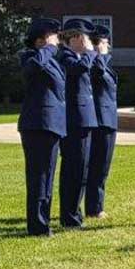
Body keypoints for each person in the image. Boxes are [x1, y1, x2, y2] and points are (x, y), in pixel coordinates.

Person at [17, 18, 66, 237]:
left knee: (47, 176)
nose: (57, 41)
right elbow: (35, 66)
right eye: (52, 36)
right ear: (39, 41)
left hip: (52, 124)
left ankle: (43, 221)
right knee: (38, 176)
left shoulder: (52, 61)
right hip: (37, 124)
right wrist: (47, 48)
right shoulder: (30, 57)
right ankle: (37, 224)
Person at [59, 18, 98, 229]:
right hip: (75, 122)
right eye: (84, 38)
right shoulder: (65, 56)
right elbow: (79, 69)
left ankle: (75, 213)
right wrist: (91, 52)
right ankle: (69, 216)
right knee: (74, 171)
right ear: (73, 38)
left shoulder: (76, 56)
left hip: (84, 119)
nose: (87, 42)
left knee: (81, 171)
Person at [86, 25, 118, 219]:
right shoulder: (94, 62)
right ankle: (94, 207)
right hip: (99, 120)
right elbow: (97, 72)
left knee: (102, 166)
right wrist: (100, 54)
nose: (108, 46)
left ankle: (95, 204)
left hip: (108, 119)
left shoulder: (103, 63)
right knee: (97, 165)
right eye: (105, 42)